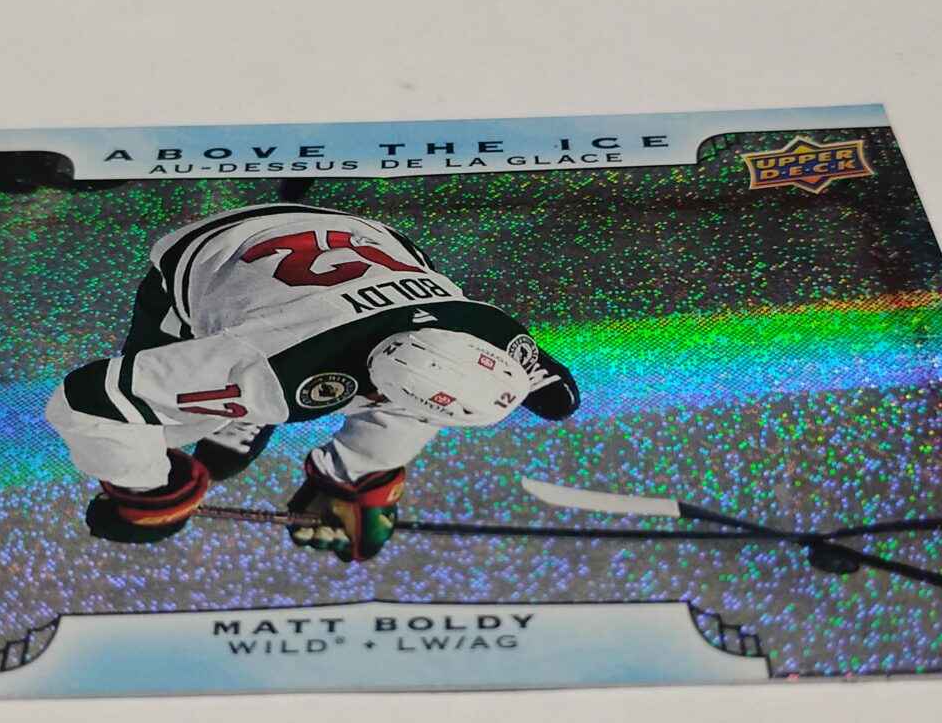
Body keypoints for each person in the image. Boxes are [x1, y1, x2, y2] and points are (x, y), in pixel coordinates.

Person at [45, 203, 580, 562]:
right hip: (207, 252)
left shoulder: (492, 331)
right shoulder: (270, 369)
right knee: (166, 428)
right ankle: (231, 412)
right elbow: (91, 400)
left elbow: (537, 382)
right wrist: (143, 488)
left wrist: (360, 482)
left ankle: (344, 465)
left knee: (416, 399)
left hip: (350, 233)